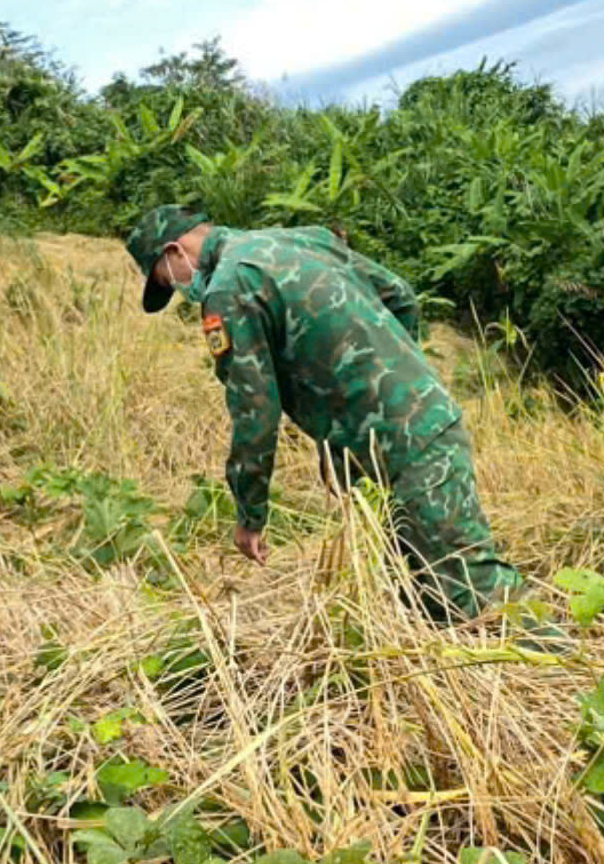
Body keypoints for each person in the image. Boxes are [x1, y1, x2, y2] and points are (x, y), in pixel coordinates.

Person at [125, 203, 522, 623]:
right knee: (424, 591)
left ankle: (568, 666)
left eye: (167, 278)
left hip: (403, 449)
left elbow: (255, 411)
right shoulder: (298, 238)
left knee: (471, 589)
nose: (179, 289)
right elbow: (400, 295)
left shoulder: (228, 289)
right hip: (421, 429)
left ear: (173, 251)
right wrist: (406, 383)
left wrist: (251, 515)